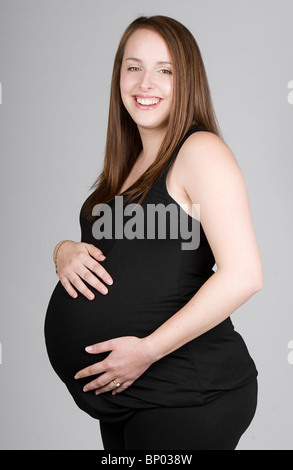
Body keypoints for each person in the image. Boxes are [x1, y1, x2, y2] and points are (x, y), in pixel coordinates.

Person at [44, 15, 263, 450]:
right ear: (119, 76)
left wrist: (145, 351)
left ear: (188, 82)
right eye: (134, 67)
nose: (146, 82)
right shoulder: (126, 166)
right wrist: (63, 249)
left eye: (166, 70)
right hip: (128, 394)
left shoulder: (199, 151)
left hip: (185, 393)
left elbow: (243, 275)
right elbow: (117, 255)